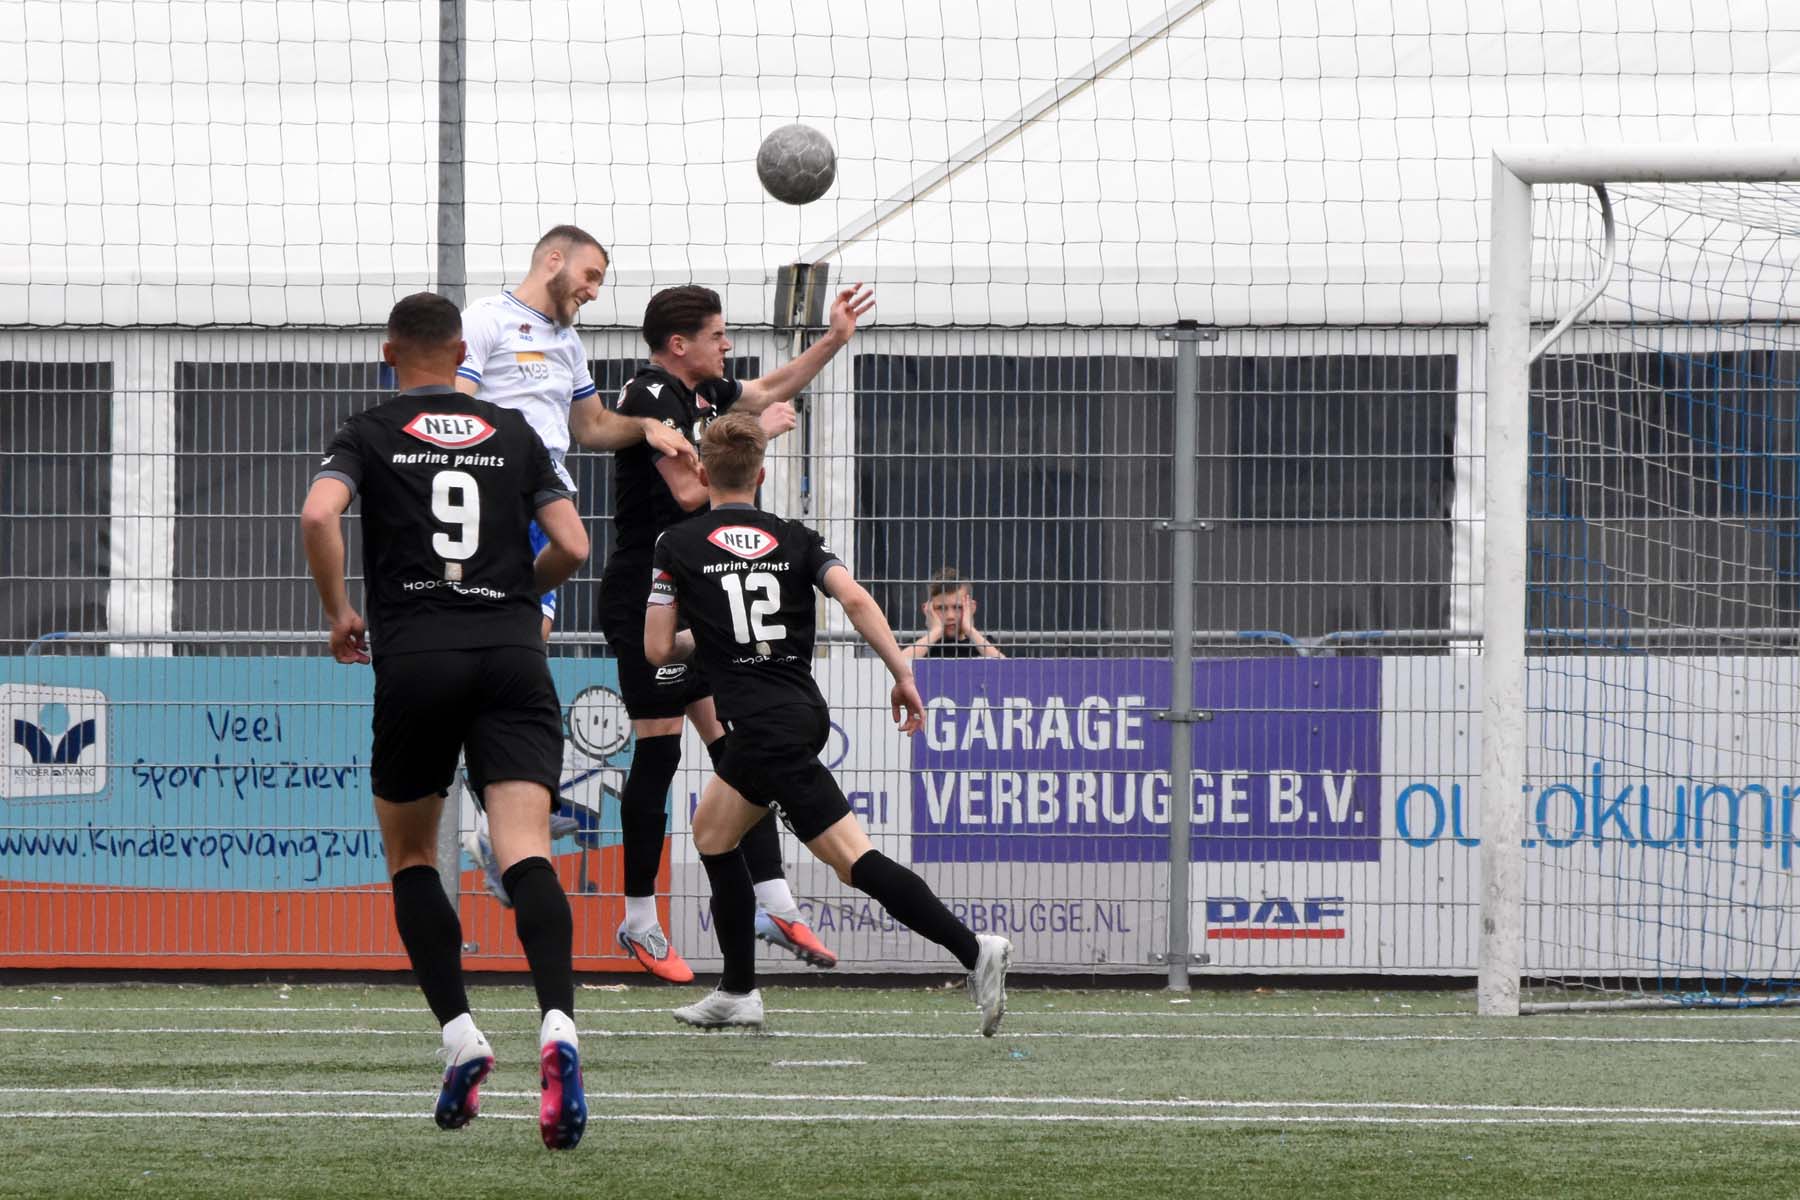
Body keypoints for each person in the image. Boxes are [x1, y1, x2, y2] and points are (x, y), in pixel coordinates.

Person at [300, 292, 589, 1150]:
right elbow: (574, 545)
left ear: (388, 352)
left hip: (418, 658)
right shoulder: (515, 430)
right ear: (464, 353)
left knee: (414, 856)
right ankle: (559, 1026)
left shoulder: (368, 429)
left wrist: (339, 612)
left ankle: (462, 1037)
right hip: (511, 655)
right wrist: (516, 594)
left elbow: (319, 514)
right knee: (526, 850)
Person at [645, 412, 1012, 1036]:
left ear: (702, 474)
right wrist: (903, 674)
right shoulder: (796, 537)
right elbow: (856, 599)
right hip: (797, 712)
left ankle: (975, 950)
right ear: (762, 475)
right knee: (712, 833)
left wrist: (703, 636)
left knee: (852, 861)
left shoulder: (675, 544)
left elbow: (658, 649)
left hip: (764, 728)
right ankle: (737, 991)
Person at [596, 282, 874, 982]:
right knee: (659, 751)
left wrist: (835, 339)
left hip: (700, 596)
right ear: (679, 344)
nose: (728, 345)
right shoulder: (650, 394)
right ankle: (639, 919)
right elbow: (693, 492)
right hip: (647, 598)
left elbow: (770, 387)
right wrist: (758, 437)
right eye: (717, 335)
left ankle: (773, 904)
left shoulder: (704, 395)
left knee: (738, 750)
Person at [453, 224, 696, 904]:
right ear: (553, 260)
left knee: (522, 656)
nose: (592, 291)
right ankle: (504, 810)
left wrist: (644, 427)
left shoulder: (567, 341)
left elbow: (590, 427)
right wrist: (502, 472)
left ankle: (502, 826)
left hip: (546, 505)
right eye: (589, 276)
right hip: (501, 501)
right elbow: (458, 408)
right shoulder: (487, 320)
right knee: (510, 655)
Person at [903, 567, 1006, 659]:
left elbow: (1006, 669)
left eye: (958, 607)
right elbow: (897, 668)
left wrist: (969, 630)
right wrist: (936, 632)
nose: (950, 616)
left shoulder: (983, 644)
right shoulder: (917, 646)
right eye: (941, 608)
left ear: (971, 608)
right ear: (927, 610)